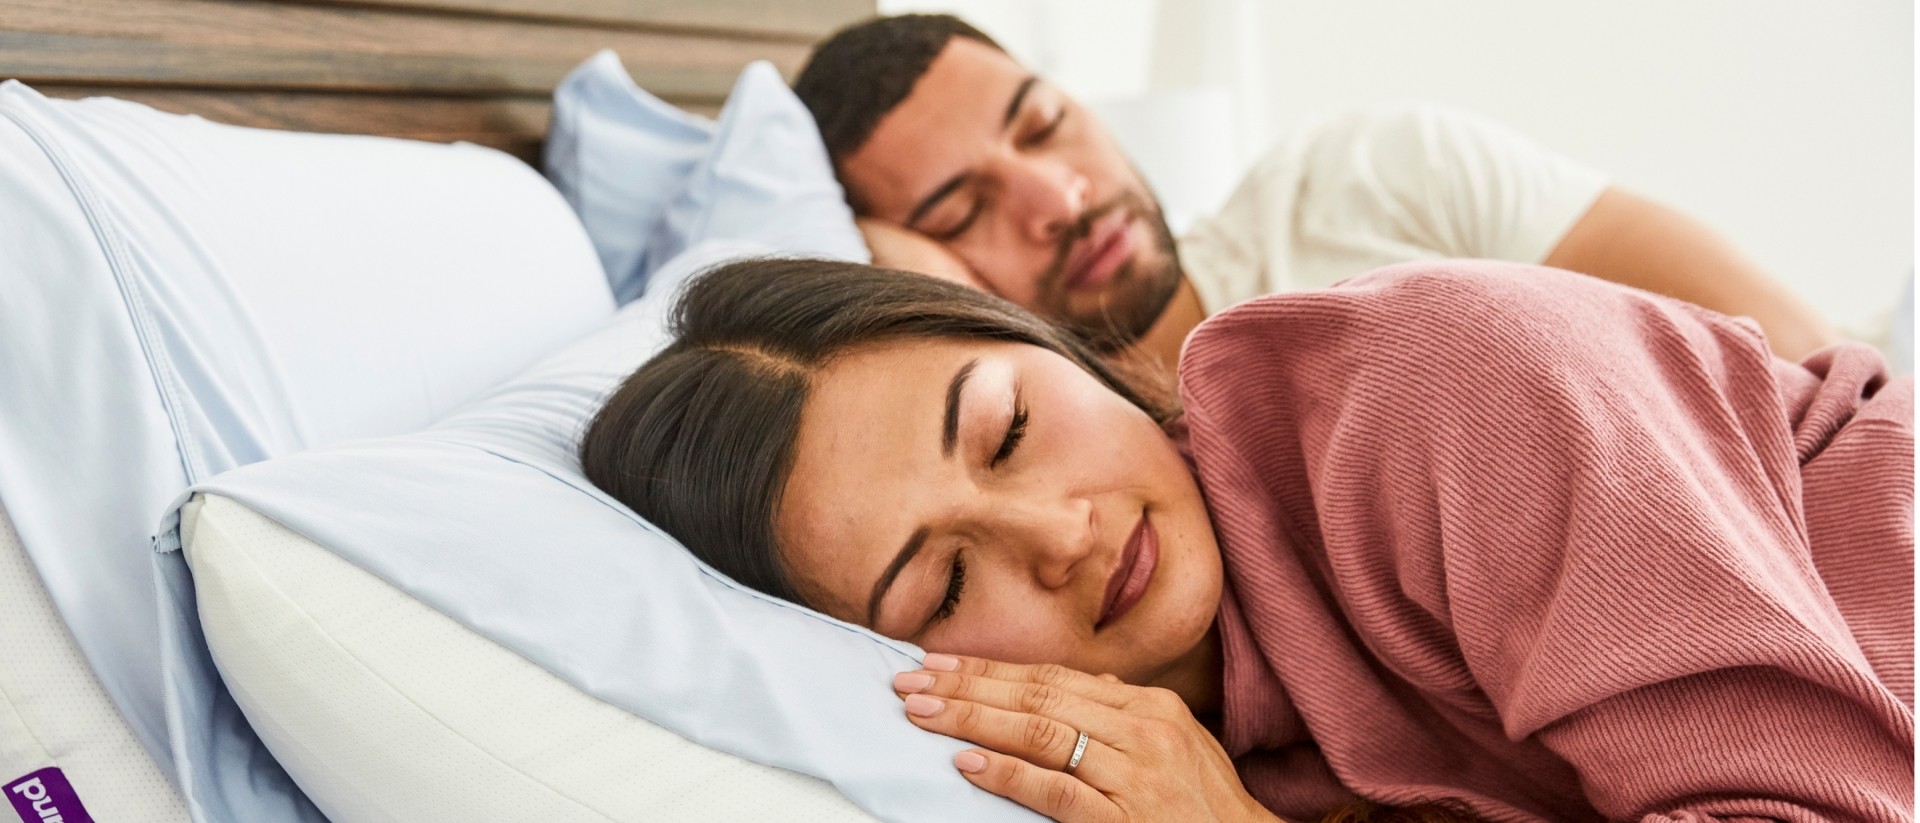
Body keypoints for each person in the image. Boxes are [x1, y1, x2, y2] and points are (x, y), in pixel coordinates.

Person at [580, 257, 1912, 822]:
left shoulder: (1430, 385)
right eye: (944, 579)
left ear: (1058, 351)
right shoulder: (1189, 750)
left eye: (1011, 429)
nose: (1057, 533)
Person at [791, 15, 1840, 371]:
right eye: (960, 212)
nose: (1058, 198)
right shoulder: (1096, 508)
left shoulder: (1371, 172)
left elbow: (1799, 352)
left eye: (1043, 124)